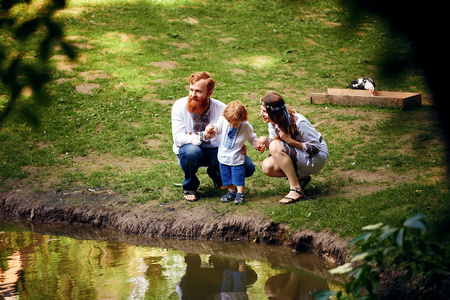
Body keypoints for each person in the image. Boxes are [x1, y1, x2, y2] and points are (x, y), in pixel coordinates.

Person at [171, 72, 255, 202]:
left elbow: (234, 130)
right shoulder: (179, 106)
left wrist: (238, 145)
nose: (192, 95)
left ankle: (216, 173)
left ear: (209, 93)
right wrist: (202, 136)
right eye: (191, 90)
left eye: (198, 91)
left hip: (216, 150)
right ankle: (190, 186)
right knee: (192, 152)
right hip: (191, 149)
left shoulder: (221, 108)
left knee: (248, 168)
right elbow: (178, 138)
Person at [256, 92, 328, 204]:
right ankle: (301, 178)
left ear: (275, 112)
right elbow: (277, 150)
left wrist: (290, 141)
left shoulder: (299, 121)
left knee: (275, 145)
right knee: (267, 167)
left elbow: (315, 148)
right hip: (301, 156)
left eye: (264, 111)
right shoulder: (273, 122)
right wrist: (265, 141)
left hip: (316, 158)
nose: (261, 114)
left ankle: (296, 189)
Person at [205, 101, 259, 204]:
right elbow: (217, 127)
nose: (232, 125)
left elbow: (252, 138)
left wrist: (256, 145)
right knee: (226, 176)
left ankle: (240, 193)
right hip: (223, 156)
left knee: (238, 175)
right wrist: (212, 129)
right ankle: (231, 192)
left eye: (235, 124)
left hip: (237, 157)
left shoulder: (246, 127)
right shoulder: (224, 120)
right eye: (230, 122)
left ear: (242, 119)